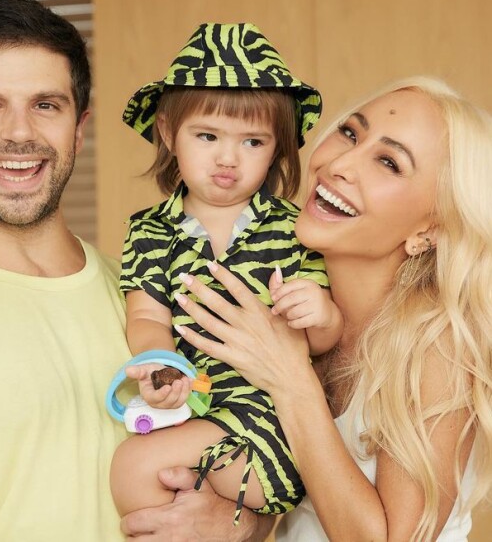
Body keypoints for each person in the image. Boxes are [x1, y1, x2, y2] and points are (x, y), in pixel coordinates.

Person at [0, 0, 270, 542]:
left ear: (78, 128)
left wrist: (244, 523)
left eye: (45, 105)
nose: (19, 133)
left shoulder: (162, 296)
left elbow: (258, 442)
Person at [167, 76, 492, 540]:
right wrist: (242, 521)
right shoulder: (294, 311)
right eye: (350, 134)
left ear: (430, 228)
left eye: (388, 162)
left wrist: (290, 378)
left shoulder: (436, 347)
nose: (340, 163)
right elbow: (309, 502)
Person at [111, 22, 344, 523]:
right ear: (169, 133)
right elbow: (148, 314)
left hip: (277, 424)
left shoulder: (295, 230)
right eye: (208, 135)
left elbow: (325, 341)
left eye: (253, 142)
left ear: (278, 148)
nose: (227, 158)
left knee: (136, 465)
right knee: (159, 474)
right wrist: (161, 364)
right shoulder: (149, 231)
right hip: (200, 412)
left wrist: (321, 315)